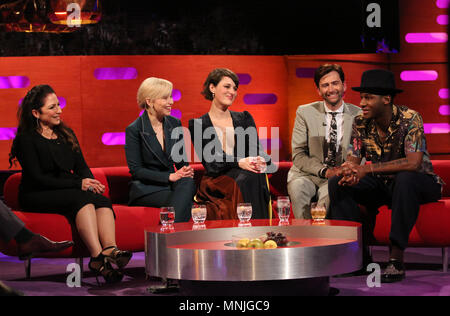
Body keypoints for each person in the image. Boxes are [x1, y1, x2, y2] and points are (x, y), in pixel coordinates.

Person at [9, 84, 132, 285]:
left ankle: (110, 250)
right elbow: (38, 178)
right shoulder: (26, 139)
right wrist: (78, 184)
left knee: (100, 200)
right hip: (37, 193)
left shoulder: (66, 134)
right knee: (81, 198)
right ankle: (96, 256)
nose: (59, 110)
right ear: (35, 113)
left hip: (67, 188)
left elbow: (82, 167)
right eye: (52, 107)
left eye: (58, 105)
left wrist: (90, 182)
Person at [328, 69, 443, 283]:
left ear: (387, 99)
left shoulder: (410, 118)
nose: (362, 103)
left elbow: (413, 162)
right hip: (385, 184)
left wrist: (366, 169)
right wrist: (349, 173)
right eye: (362, 97)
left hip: (421, 182)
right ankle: (356, 258)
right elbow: (354, 161)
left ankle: (396, 259)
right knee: (338, 183)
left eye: (368, 97)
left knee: (405, 179)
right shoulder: (360, 123)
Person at [188, 68, 273, 220]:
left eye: (235, 88)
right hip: (218, 179)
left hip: (245, 174)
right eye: (227, 87)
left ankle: (257, 233)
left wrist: (259, 159)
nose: (232, 92)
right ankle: (247, 232)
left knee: (252, 176)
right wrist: (239, 162)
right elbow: (211, 162)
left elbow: (256, 149)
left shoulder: (244, 118)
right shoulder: (198, 124)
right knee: (245, 179)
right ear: (212, 88)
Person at [287, 64, 361, 219]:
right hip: (306, 174)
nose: (331, 89)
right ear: (318, 90)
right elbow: (299, 154)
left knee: (328, 197)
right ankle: (305, 237)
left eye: (335, 83)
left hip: (337, 177)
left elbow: (360, 152)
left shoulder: (358, 115)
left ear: (344, 85)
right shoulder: (304, 112)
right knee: (297, 187)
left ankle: (322, 239)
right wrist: (324, 171)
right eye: (325, 85)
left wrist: (343, 172)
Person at [125, 77, 196, 222]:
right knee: (186, 203)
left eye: (170, 96)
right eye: (165, 98)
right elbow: (136, 170)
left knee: (188, 183)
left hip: (172, 185)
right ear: (149, 101)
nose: (171, 102)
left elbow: (182, 162)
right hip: (146, 188)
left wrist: (186, 171)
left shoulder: (174, 124)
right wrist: (169, 177)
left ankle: (166, 235)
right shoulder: (134, 129)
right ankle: (170, 237)